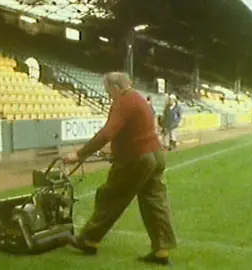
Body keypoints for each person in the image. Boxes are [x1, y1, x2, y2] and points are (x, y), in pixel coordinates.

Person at [62, 71, 177, 266]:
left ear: (116, 88)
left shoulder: (123, 102)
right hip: (155, 155)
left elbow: (107, 133)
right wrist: (116, 150)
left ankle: (89, 240)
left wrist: (80, 154)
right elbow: (133, 131)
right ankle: (161, 250)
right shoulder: (139, 98)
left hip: (138, 158)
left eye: (108, 92)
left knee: (109, 196)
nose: (108, 96)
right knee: (155, 202)